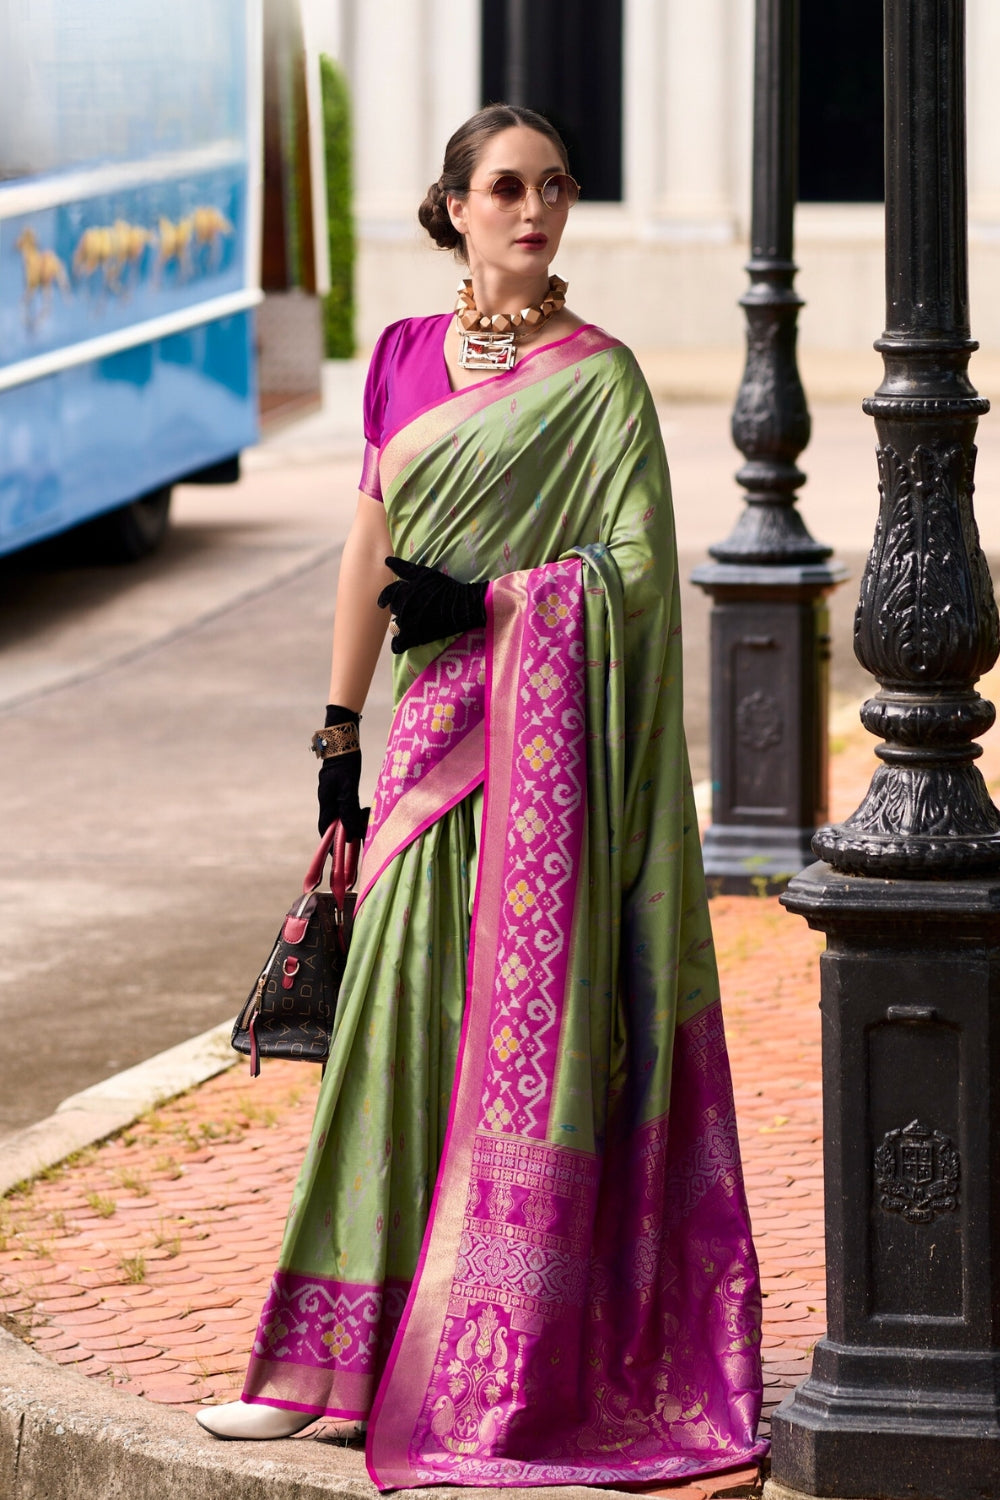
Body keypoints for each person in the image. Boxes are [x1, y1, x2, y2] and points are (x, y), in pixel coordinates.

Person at [197, 104, 766, 1489]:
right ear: (452, 206)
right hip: (423, 752)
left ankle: (501, 1353)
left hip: (542, 775)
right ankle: (329, 1358)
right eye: (505, 187)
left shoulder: (605, 384)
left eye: (555, 187)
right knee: (392, 1036)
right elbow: (369, 541)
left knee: (519, 1055)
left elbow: (628, 582)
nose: (534, 209)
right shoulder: (399, 358)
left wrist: (507, 601)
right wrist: (337, 729)